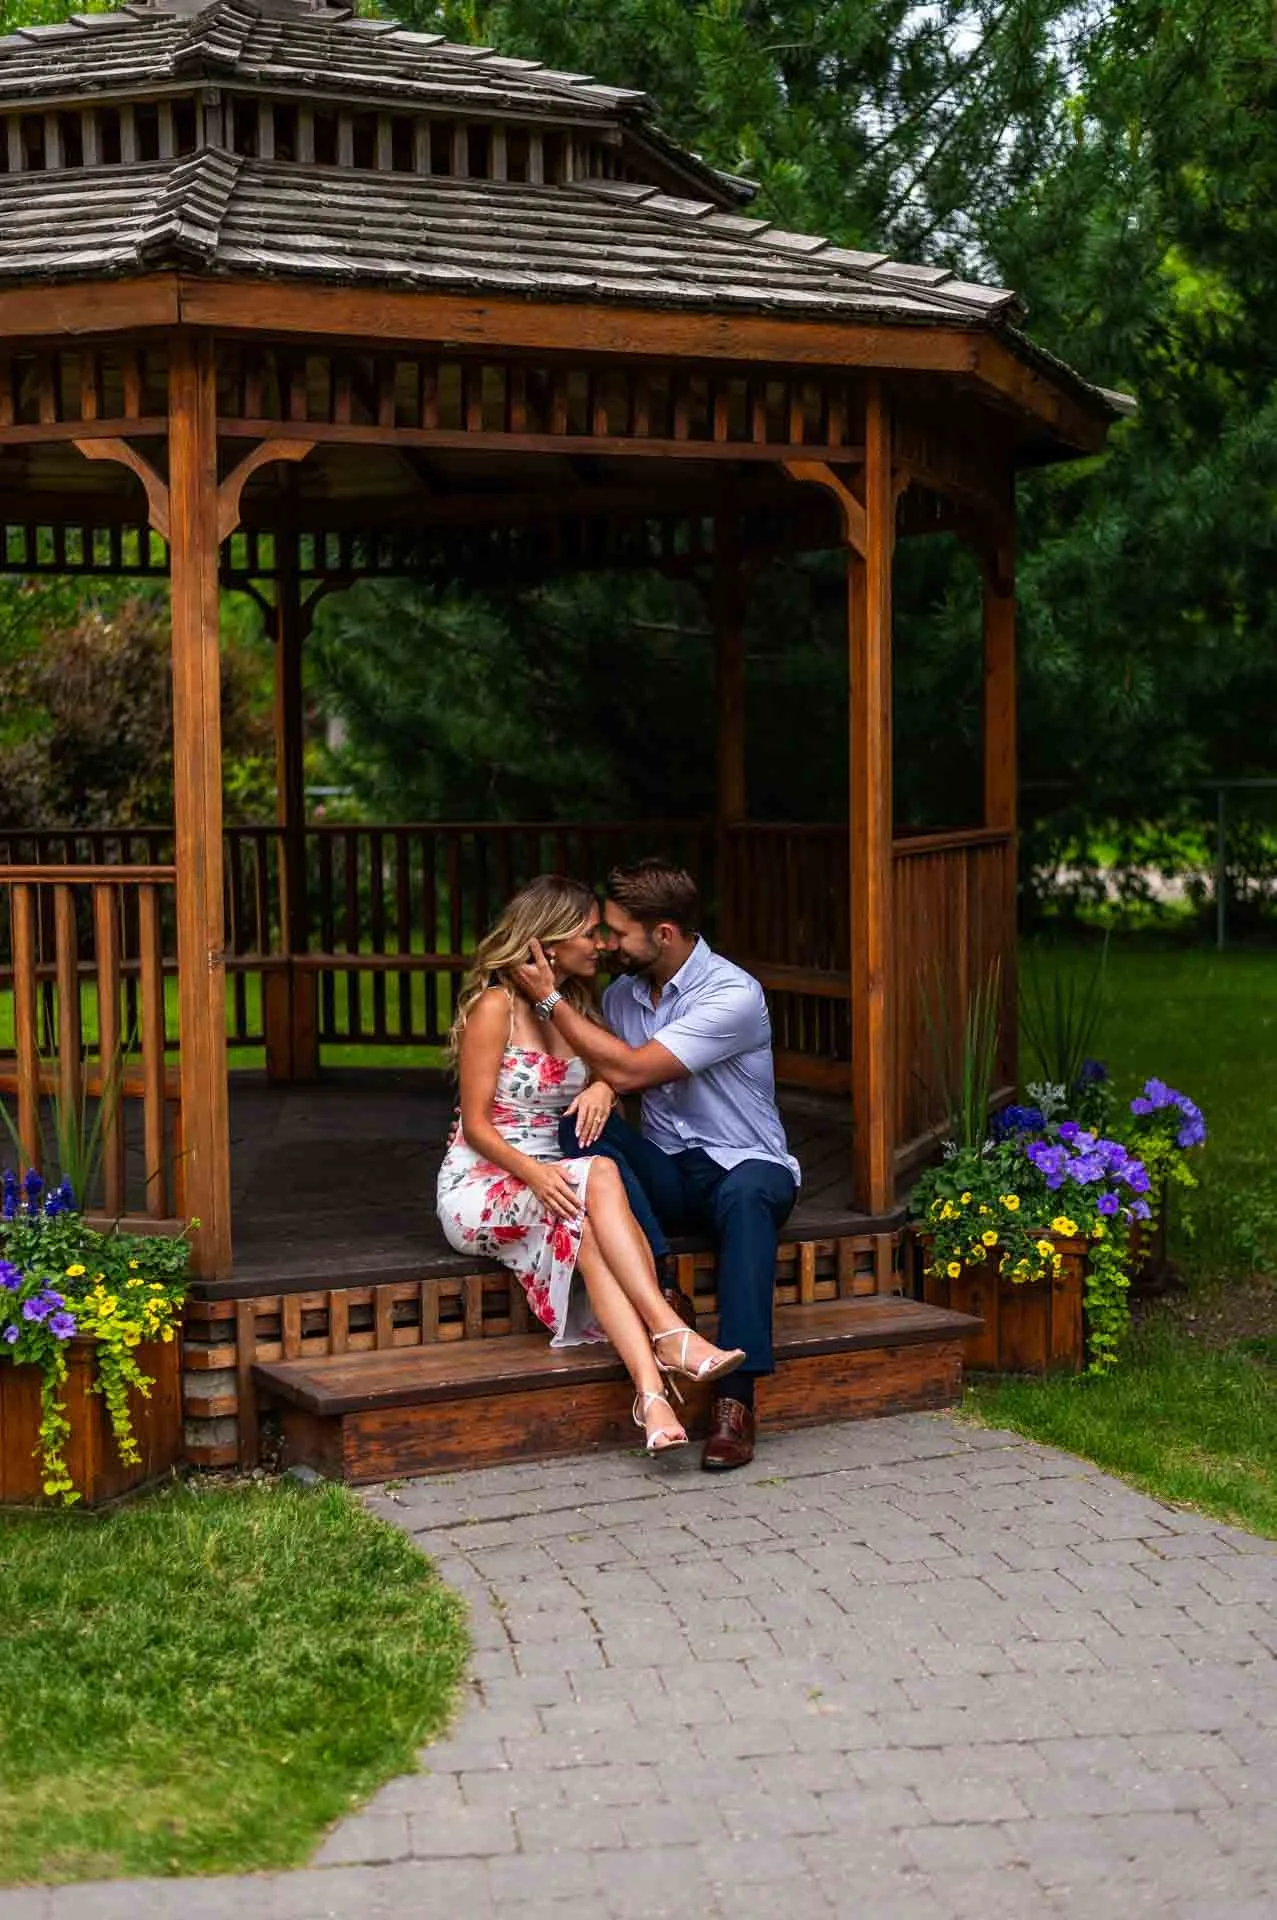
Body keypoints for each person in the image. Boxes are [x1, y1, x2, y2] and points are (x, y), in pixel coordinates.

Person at [436, 874, 746, 1455]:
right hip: (485, 1182)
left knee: (590, 1231)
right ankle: (670, 1332)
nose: (600, 944)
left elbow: (616, 1067)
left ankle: (652, 1399)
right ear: (547, 941)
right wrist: (535, 1173)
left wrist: (604, 1087)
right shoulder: (494, 1007)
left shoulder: (575, 1006)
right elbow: (476, 1125)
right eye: (588, 932)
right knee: (597, 1175)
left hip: (559, 1182)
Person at [514, 859, 799, 1472]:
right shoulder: (622, 997)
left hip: (746, 1165)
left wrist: (552, 1002)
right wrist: (599, 1086)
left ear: (663, 934)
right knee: (578, 1126)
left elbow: (637, 1067)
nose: (607, 943)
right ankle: (667, 1291)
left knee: (749, 1199)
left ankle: (735, 1402)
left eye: (617, 932)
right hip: (671, 1171)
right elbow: (612, 1062)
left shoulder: (732, 994)